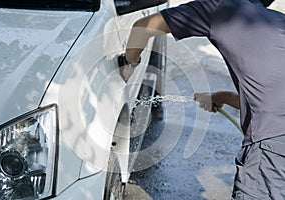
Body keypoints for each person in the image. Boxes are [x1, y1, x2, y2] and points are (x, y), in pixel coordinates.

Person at [119, 0, 285, 199]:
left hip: (272, 147)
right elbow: (271, 97)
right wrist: (221, 97)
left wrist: (129, 63)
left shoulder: (220, 7)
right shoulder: (278, 21)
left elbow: (143, 27)